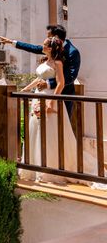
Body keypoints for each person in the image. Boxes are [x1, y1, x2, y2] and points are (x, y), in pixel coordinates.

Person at [17, 36, 75, 183]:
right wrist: (24, 89)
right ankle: (35, 167)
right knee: (36, 131)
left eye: (44, 45)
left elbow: (61, 84)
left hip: (50, 99)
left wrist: (51, 103)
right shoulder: (44, 61)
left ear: (50, 48)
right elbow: (38, 80)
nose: (41, 46)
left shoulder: (58, 63)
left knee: (50, 133)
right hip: (38, 98)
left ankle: (50, 170)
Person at [0, 24, 80, 116]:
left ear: (55, 38)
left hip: (63, 93)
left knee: (61, 124)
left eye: (48, 36)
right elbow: (34, 48)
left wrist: (48, 83)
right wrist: (12, 42)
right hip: (42, 94)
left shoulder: (72, 52)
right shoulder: (50, 48)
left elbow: (71, 76)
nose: (46, 39)